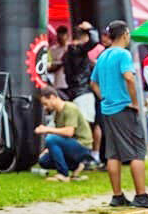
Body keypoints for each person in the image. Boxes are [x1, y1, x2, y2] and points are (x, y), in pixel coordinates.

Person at [90, 20, 148, 208]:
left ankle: (117, 195)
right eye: (128, 34)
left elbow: (93, 83)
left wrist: (105, 97)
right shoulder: (123, 54)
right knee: (137, 151)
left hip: (108, 109)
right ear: (124, 35)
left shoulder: (104, 55)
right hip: (124, 109)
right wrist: (135, 102)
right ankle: (141, 195)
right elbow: (129, 78)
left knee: (113, 154)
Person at [63, 21, 101, 164]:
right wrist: (90, 28)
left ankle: (82, 156)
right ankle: (85, 157)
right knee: (86, 125)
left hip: (75, 91)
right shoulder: (77, 49)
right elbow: (95, 41)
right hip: (82, 92)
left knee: (82, 125)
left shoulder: (71, 52)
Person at [35, 87, 92, 182]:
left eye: (45, 103)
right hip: (71, 146)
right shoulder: (57, 113)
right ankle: (76, 166)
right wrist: (48, 149)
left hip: (82, 146)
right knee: (43, 160)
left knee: (50, 138)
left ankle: (63, 174)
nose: (45, 107)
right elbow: (60, 137)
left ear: (52, 97)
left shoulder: (70, 108)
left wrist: (47, 129)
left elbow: (69, 132)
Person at [48, 25, 69, 100]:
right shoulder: (53, 50)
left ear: (67, 35)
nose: (59, 39)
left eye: (62, 36)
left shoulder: (71, 48)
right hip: (58, 83)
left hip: (69, 83)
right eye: (58, 36)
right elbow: (49, 67)